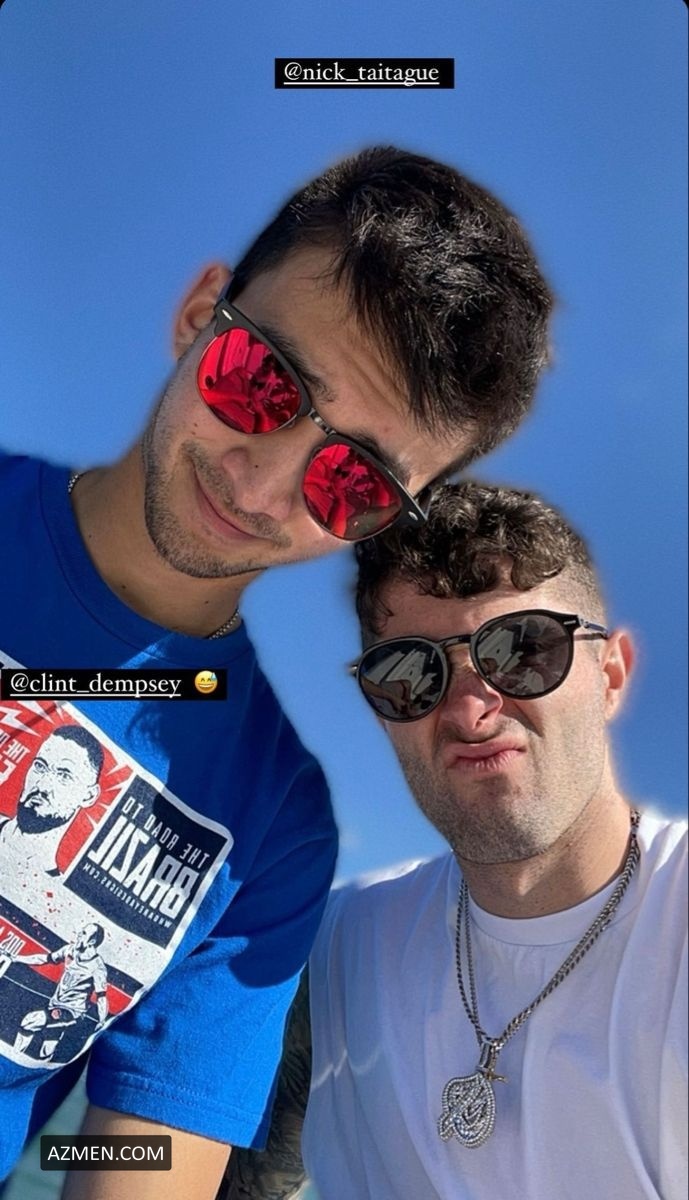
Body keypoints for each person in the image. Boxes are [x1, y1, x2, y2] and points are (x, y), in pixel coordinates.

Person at [0, 146, 553, 1197]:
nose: (260, 488)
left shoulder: (272, 835)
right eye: (259, 384)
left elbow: (143, 1155)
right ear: (197, 314)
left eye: (353, 481)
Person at [222, 482, 688, 1200]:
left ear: (610, 675)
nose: (469, 710)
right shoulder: (332, 951)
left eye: (524, 650)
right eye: (410, 673)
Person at [0, 726, 104, 875]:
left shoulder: (52, 886)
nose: (42, 786)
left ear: (88, 796)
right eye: (40, 766)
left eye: (64, 776)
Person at [5, 923, 108, 1062]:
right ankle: (43, 1063)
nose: (79, 934)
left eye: (84, 933)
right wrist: (17, 958)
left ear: (92, 941)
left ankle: (13, 1058)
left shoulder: (97, 967)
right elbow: (44, 959)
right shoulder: (70, 950)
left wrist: (102, 1020)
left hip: (72, 1011)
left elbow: (102, 997)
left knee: (30, 1021)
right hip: (55, 1004)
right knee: (48, 1047)